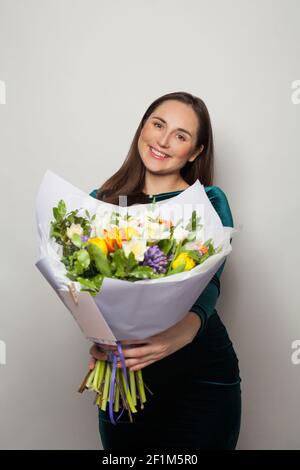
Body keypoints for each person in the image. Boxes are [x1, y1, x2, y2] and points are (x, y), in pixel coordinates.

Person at [88, 91, 242, 450]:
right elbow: (88, 288)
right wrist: (100, 337)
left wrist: (181, 335)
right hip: (122, 379)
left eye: (181, 135)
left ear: (196, 151)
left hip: (201, 378)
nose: (163, 140)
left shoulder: (209, 202)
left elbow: (210, 280)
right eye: (158, 125)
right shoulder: (102, 201)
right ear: (143, 127)